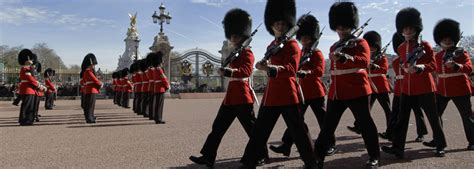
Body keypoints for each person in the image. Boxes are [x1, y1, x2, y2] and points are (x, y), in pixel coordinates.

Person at [240, 0, 318, 168]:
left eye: (283, 23)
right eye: (277, 23)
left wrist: (271, 68)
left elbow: (291, 68)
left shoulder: (292, 45)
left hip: (288, 94)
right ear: (271, 25)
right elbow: (267, 65)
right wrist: (261, 66)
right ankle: (248, 163)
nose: (280, 26)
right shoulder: (271, 45)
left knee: (299, 133)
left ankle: (312, 163)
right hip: (271, 95)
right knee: (259, 133)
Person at [189, 8, 264, 168]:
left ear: (243, 36)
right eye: (232, 35)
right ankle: (208, 156)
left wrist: (229, 71)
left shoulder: (247, 53)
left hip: (243, 96)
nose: (233, 38)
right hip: (231, 97)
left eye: (236, 35)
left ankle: (261, 155)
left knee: (252, 130)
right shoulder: (235, 52)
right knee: (217, 128)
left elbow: (246, 71)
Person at [313, 2, 380, 168]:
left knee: (365, 124)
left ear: (351, 26)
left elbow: (364, 62)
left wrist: (345, 58)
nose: (341, 30)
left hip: (357, 89)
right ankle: (317, 158)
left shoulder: (360, 42)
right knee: (327, 127)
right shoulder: (334, 46)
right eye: (339, 27)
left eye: (345, 27)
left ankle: (374, 156)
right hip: (337, 92)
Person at [382, 7, 447, 158]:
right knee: (401, 119)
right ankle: (398, 148)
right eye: (405, 28)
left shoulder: (425, 45)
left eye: (411, 28)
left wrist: (419, 68)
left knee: (433, 118)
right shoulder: (401, 47)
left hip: (424, 86)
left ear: (416, 28)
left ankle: (440, 145)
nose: (408, 31)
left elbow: (433, 65)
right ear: (401, 30)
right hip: (407, 88)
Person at [269, 14, 337, 157]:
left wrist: (306, 72)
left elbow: (319, 70)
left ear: (313, 38)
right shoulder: (300, 52)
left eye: (307, 38)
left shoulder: (316, 52)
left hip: (315, 92)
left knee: (323, 121)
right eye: (303, 38)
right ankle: (286, 145)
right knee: (296, 120)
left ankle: (330, 144)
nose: (304, 41)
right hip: (302, 92)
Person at [423, 18, 474, 151]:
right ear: (439, 40)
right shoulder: (438, 55)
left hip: (460, 88)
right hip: (442, 90)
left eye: (449, 38)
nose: (447, 41)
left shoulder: (461, 53)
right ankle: (437, 140)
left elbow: (469, 68)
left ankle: (473, 141)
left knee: (467, 117)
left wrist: (457, 66)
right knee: (436, 115)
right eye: (444, 38)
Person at [378, 33, 428, 142]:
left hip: (411, 88)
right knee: (395, 113)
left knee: (417, 111)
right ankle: (390, 133)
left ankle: (421, 133)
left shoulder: (415, 58)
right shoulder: (395, 61)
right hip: (399, 88)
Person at [347, 31, 392, 137]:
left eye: (373, 48)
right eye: (369, 47)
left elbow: (384, 70)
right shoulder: (366, 57)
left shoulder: (382, 57)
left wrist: (375, 66)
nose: (371, 50)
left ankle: (391, 131)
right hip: (370, 85)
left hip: (380, 86)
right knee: (365, 109)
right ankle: (358, 126)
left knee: (387, 109)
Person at [17, 49, 45, 125]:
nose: (32, 62)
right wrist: (39, 85)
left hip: (29, 89)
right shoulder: (26, 68)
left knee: (28, 105)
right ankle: (25, 120)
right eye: (31, 60)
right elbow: (30, 79)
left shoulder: (27, 68)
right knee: (27, 106)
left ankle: (27, 119)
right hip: (27, 89)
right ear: (27, 59)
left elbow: (32, 79)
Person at [81, 53, 102, 123]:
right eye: (93, 64)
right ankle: (89, 118)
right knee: (90, 105)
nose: (94, 66)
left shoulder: (85, 71)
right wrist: (100, 83)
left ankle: (90, 116)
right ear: (91, 64)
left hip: (88, 89)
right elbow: (94, 80)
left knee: (89, 105)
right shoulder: (88, 71)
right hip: (92, 89)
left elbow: (84, 81)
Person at [151, 52, 168, 124]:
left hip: (156, 88)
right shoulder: (159, 69)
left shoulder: (155, 69)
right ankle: (158, 119)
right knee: (159, 105)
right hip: (160, 88)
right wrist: (167, 86)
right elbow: (163, 79)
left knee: (157, 104)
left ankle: (157, 118)